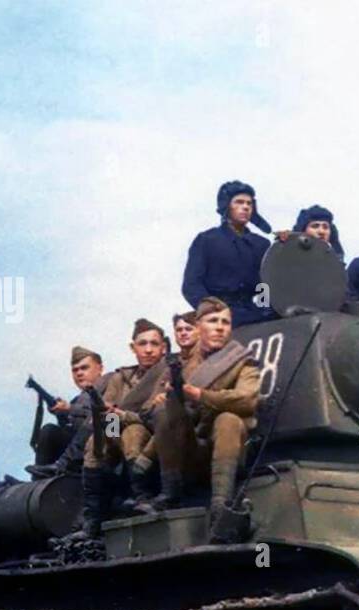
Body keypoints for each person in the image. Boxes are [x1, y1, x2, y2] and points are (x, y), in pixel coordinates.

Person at [146, 298, 261, 542]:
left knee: (229, 419)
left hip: (225, 449)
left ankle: (221, 504)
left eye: (225, 322)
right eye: (213, 321)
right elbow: (147, 406)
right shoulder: (181, 364)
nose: (220, 327)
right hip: (187, 449)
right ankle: (171, 493)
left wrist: (201, 395)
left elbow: (247, 399)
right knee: (164, 411)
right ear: (198, 327)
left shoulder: (242, 360)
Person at [69, 319, 169, 539]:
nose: (149, 349)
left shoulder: (167, 373)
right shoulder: (121, 378)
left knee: (132, 432)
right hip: (118, 427)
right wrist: (111, 415)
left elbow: (154, 415)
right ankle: (92, 520)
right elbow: (109, 409)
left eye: (154, 343)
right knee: (97, 442)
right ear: (133, 347)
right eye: (142, 344)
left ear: (163, 347)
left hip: (152, 433)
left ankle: (143, 498)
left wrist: (125, 416)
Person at [181, 180, 275, 326]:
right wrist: (212, 313)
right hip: (220, 318)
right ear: (227, 205)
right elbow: (191, 285)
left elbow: (266, 285)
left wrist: (264, 311)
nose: (245, 207)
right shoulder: (207, 240)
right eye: (239, 202)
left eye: (249, 204)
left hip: (255, 317)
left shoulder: (261, 244)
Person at [27, 346, 104, 480]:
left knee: (50, 431)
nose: (79, 373)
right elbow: (73, 429)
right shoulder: (78, 399)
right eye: (75, 370)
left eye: (84, 368)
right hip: (79, 451)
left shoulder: (110, 386)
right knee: (49, 431)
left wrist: (70, 409)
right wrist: (61, 414)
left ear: (100, 368)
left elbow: (108, 415)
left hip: (104, 446)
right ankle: (38, 482)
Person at [277, 205, 345, 259]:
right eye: (315, 226)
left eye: (325, 227)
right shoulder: (286, 257)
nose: (321, 231)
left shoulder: (333, 263)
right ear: (303, 231)